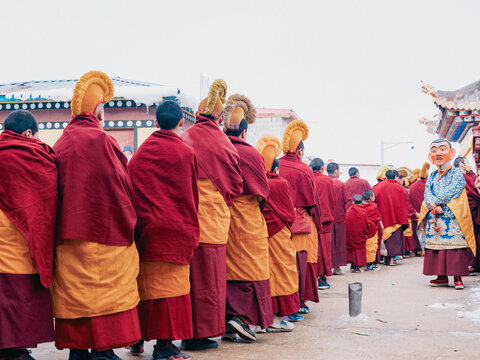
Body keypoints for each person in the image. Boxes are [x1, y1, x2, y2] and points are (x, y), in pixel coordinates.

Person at [51, 71, 141, 360]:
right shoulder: (104, 141)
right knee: (107, 289)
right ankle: (103, 349)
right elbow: (123, 184)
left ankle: (78, 351)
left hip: (69, 233)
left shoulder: (61, 144)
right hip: (106, 231)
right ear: (97, 112)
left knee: (76, 290)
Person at [128, 101, 199, 360]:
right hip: (176, 230)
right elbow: (192, 196)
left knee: (144, 287)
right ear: (182, 122)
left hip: (147, 230)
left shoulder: (140, 154)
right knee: (169, 292)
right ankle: (163, 346)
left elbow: (131, 193)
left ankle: (136, 340)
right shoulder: (186, 153)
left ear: (155, 122)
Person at [180, 80, 243, 350]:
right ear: (218, 117)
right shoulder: (224, 142)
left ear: (196, 114)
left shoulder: (184, 138)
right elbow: (236, 184)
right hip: (215, 221)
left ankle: (186, 331)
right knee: (211, 281)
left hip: (188, 217)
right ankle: (203, 335)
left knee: (188, 280)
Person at [0, 111, 57, 360]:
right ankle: (16, 351)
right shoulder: (33, 154)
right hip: (20, 237)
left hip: (4, 235)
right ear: (28, 134)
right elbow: (47, 195)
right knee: (19, 298)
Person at [222, 94, 272, 341]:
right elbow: (263, 192)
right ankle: (241, 319)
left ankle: (226, 320)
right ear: (243, 132)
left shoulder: (218, 148)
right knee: (251, 265)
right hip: (247, 215)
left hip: (220, 216)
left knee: (226, 267)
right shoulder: (251, 154)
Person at [418, 139, 476, 289]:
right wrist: (432, 204)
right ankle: (441, 277)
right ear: (430, 155)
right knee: (437, 248)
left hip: (452, 215)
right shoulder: (431, 175)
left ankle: (457, 278)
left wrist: (436, 202)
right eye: (434, 150)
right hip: (435, 216)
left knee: (455, 248)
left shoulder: (457, 173)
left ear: (451, 153)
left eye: (442, 149)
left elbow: (453, 190)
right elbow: (427, 192)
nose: (438, 153)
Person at [256, 135, 298, 332]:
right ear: (276, 168)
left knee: (266, 271)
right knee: (282, 271)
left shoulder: (260, 182)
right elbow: (289, 212)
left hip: (263, 232)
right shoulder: (281, 183)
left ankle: (265, 317)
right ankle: (277, 318)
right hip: (280, 232)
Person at [278, 120, 320, 315]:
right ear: (300, 151)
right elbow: (312, 200)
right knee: (298, 263)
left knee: (280, 263)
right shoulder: (304, 169)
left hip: (278, 222)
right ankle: (298, 303)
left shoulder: (276, 164)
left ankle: (282, 305)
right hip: (300, 222)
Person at [310, 158, 335, 290]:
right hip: (325, 219)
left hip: (309, 218)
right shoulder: (327, 181)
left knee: (312, 248)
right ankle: (321, 278)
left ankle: (311, 278)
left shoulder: (307, 178)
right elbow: (333, 199)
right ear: (322, 168)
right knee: (323, 249)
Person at [374, 169, 409, 266]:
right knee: (395, 238)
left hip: (384, 218)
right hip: (397, 218)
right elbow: (405, 202)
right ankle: (392, 259)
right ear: (396, 177)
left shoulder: (379, 187)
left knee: (385, 238)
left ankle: (385, 258)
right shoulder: (401, 188)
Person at [454, 157, 480, 272]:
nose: (468, 164)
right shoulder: (460, 177)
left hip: (469, 210)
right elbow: (474, 193)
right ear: (461, 164)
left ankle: (474, 263)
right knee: (470, 237)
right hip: (467, 211)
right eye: (467, 162)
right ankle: (471, 263)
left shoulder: (467, 176)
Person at [327, 162, 348, 275]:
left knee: (328, 243)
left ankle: (326, 268)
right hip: (339, 217)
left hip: (326, 217)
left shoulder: (324, 182)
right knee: (339, 243)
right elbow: (346, 200)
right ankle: (337, 268)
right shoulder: (340, 184)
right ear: (335, 171)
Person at [409, 162, 430, 256]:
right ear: (426, 177)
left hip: (415, 214)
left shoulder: (412, 186)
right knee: (425, 231)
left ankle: (417, 250)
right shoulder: (428, 186)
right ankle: (424, 249)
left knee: (416, 232)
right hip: (425, 213)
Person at [346, 195, 370, 272]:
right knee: (359, 250)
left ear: (353, 202)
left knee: (353, 250)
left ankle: (353, 266)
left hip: (351, 235)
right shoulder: (363, 211)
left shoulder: (349, 211)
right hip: (360, 234)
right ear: (362, 202)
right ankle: (358, 266)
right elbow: (366, 224)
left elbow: (347, 222)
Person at [362, 190, 382, 271]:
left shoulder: (361, 205)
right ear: (370, 198)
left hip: (364, 228)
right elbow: (377, 217)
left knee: (366, 245)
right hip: (372, 228)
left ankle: (365, 263)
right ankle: (370, 264)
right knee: (372, 245)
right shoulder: (374, 206)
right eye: (373, 196)